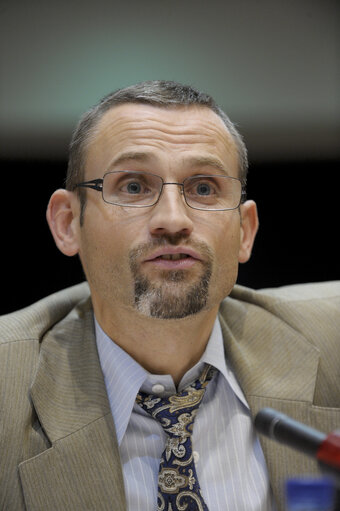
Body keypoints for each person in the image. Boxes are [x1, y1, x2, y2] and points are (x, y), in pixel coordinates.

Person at [0, 80, 339, 511]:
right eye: (134, 187)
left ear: (245, 231)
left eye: (203, 188)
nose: (173, 220)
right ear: (68, 223)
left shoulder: (331, 345)